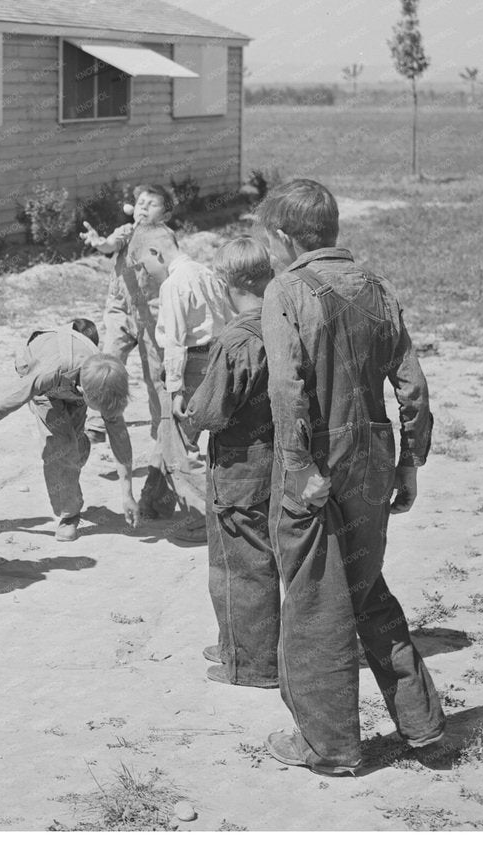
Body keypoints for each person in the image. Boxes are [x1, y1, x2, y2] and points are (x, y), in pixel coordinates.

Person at [256, 178, 440, 776]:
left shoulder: (285, 291)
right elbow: (410, 384)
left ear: (283, 238)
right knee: (365, 588)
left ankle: (329, 745)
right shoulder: (378, 287)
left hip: (316, 460)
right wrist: (410, 459)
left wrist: (302, 467)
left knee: (313, 602)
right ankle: (421, 722)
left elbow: (285, 388)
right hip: (374, 454)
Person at [182, 236, 280, 688]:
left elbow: (211, 411)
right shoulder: (286, 324)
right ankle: (236, 643)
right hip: (280, 460)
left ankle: (251, 664)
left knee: (238, 563)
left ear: (227, 284)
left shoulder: (236, 340)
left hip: (239, 468)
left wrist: (189, 412)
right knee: (264, 557)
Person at [0, 321, 138, 541]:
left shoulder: (104, 379)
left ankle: (76, 449)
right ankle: (69, 514)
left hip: (72, 386)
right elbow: (8, 399)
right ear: (84, 393)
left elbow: (119, 437)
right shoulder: (48, 372)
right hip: (46, 385)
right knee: (61, 447)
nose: (105, 415)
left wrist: (127, 494)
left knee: (73, 447)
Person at [80, 184, 179, 515]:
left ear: (165, 214)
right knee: (108, 359)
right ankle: (96, 419)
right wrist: (98, 243)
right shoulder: (127, 230)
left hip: (152, 313)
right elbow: (112, 244)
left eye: (151, 204)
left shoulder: (165, 236)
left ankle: (160, 431)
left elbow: (170, 267)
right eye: (139, 203)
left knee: (156, 375)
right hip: (120, 309)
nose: (142, 208)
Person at [130, 224, 235, 530]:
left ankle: (204, 520)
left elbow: (175, 342)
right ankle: (154, 502)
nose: (145, 272)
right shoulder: (204, 272)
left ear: (155, 253)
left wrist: (176, 388)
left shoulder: (174, 284)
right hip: (215, 358)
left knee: (179, 446)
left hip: (189, 365)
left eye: (143, 265)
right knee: (169, 435)